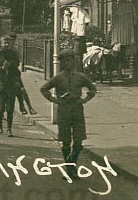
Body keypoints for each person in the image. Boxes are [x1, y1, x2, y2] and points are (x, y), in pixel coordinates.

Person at [40, 48, 98, 178]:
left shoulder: (80, 77)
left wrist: (85, 99)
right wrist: (55, 100)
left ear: (73, 61)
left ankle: (72, 164)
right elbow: (44, 89)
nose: (67, 63)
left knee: (78, 141)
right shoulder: (58, 78)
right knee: (65, 141)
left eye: (69, 60)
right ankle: (69, 170)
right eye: (64, 61)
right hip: (64, 109)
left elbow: (92, 89)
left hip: (77, 109)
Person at [0, 36, 19, 115]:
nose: (6, 44)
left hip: (10, 73)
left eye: (8, 43)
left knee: (19, 87)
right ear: (1, 44)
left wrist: (10, 64)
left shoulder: (13, 53)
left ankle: (22, 106)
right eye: (4, 43)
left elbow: (17, 63)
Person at [0, 49, 23, 137]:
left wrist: (18, 84)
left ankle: (9, 129)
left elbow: (18, 78)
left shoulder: (14, 69)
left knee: (10, 110)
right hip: (1, 90)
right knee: (0, 110)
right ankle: (0, 126)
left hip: (11, 90)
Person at [8, 33, 38, 115]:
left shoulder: (15, 50)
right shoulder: (3, 50)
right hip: (5, 73)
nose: (12, 42)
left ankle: (29, 107)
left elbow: (19, 61)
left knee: (22, 90)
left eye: (13, 40)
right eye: (10, 40)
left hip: (14, 72)